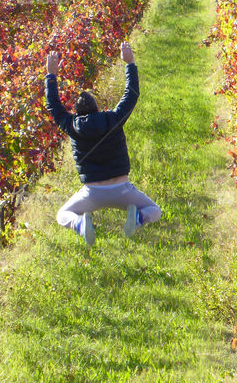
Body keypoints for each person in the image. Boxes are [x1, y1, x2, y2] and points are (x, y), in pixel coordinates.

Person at [44, 41, 162, 247]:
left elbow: (53, 106)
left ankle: (80, 225)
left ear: (77, 113)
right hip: (123, 189)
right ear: (97, 108)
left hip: (92, 193)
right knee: (154, 211)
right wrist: (130, 63)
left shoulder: (71, 125)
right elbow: (131, 94)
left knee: (63, 214)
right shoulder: (114, 118)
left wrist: (51, 75)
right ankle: (137, 219)